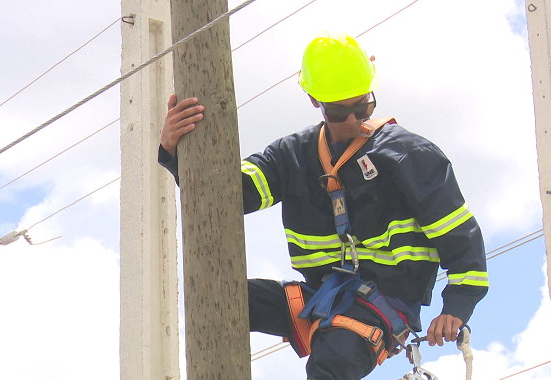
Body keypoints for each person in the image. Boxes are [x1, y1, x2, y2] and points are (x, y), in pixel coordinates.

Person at [158, 31, 488, 380]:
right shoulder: (292, 156)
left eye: (362, 106)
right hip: (321, 297)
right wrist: (174, 152)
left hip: (383, 306)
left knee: (333, 361)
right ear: (315, 100)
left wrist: (457, 306)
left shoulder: (410, 156)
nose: (352, 120)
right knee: (218, 296)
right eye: (338, 111)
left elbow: (460, 235)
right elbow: (228, 195)